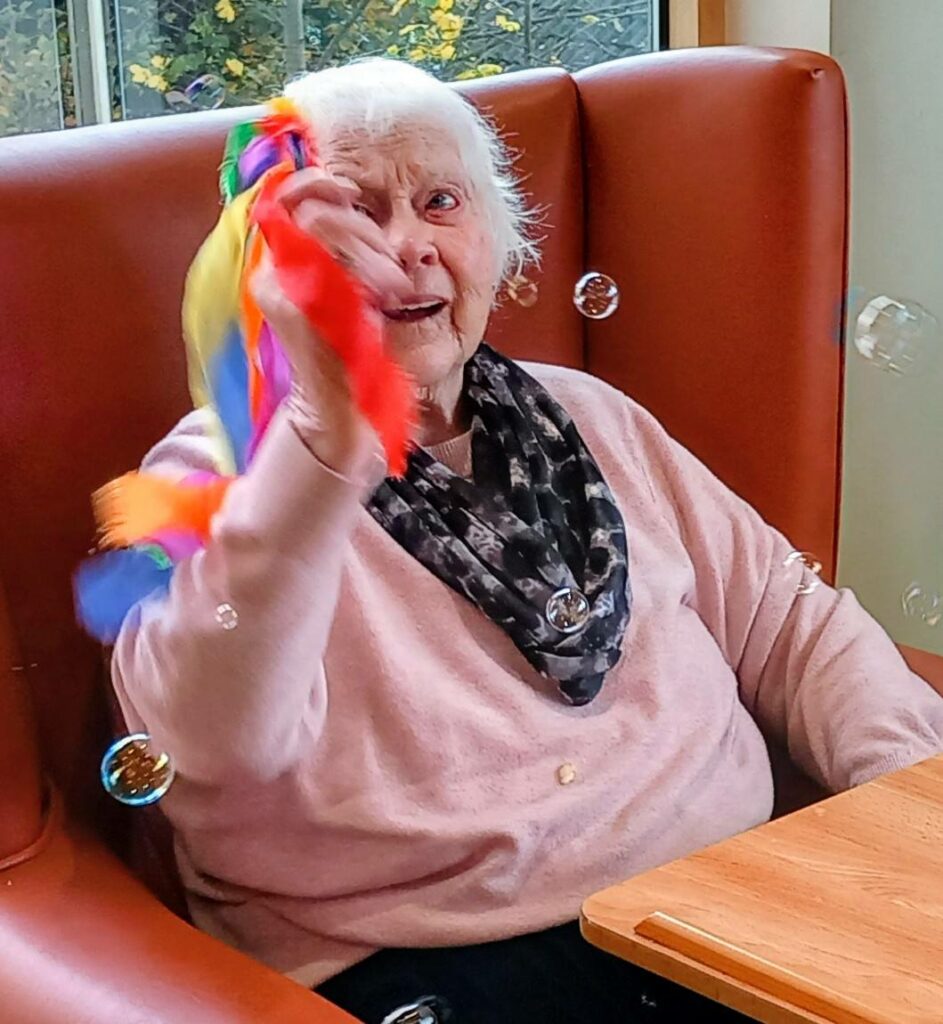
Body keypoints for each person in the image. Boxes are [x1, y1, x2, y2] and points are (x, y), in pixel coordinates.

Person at [109, 58, 943, 1023]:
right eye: (354, 213)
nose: (406, 245)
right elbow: (212, 748)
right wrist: (325, 438)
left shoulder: (589, 416)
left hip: (723, 903)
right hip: (436, 960)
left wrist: (910, 814)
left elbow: (791, 629)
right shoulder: (199, 478)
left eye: (439, 200)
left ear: (498, 240)